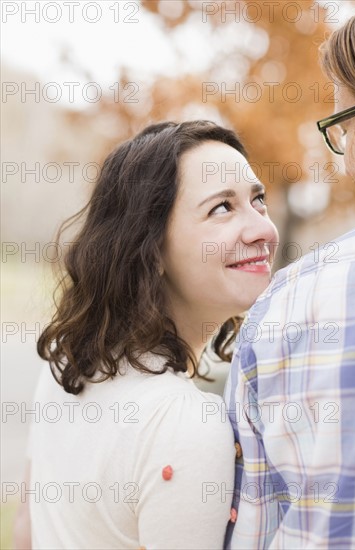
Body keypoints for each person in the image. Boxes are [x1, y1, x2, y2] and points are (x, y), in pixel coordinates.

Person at [14, 120, 279, 549]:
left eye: (258, 200)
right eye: (221, 208)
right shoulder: (186, 421)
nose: (263, 230)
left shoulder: (67, 362)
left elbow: (26, 529)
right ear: (150, 249)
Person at [225, 6, 355, 549]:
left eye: (342, 126)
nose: (258, 230)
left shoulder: (283, 311)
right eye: (221, 207)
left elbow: (255, 532)